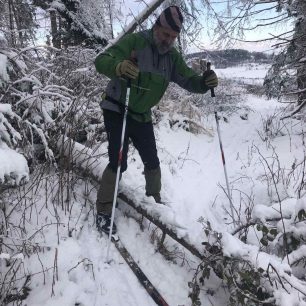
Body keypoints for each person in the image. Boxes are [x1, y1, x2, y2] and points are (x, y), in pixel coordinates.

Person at [94, 5, 218, 235]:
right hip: (117, 108)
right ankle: (103, 211)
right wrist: (119, 66)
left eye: (173, 36)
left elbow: (188, 79)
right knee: (118, 160)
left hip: (141, 113)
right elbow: (102, 60)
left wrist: (204, 83)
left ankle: (154, 203)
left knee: (152, 160)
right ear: (157, 27)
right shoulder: (135, 42)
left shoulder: (172, 57)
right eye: (165, 34)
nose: (169, 40)